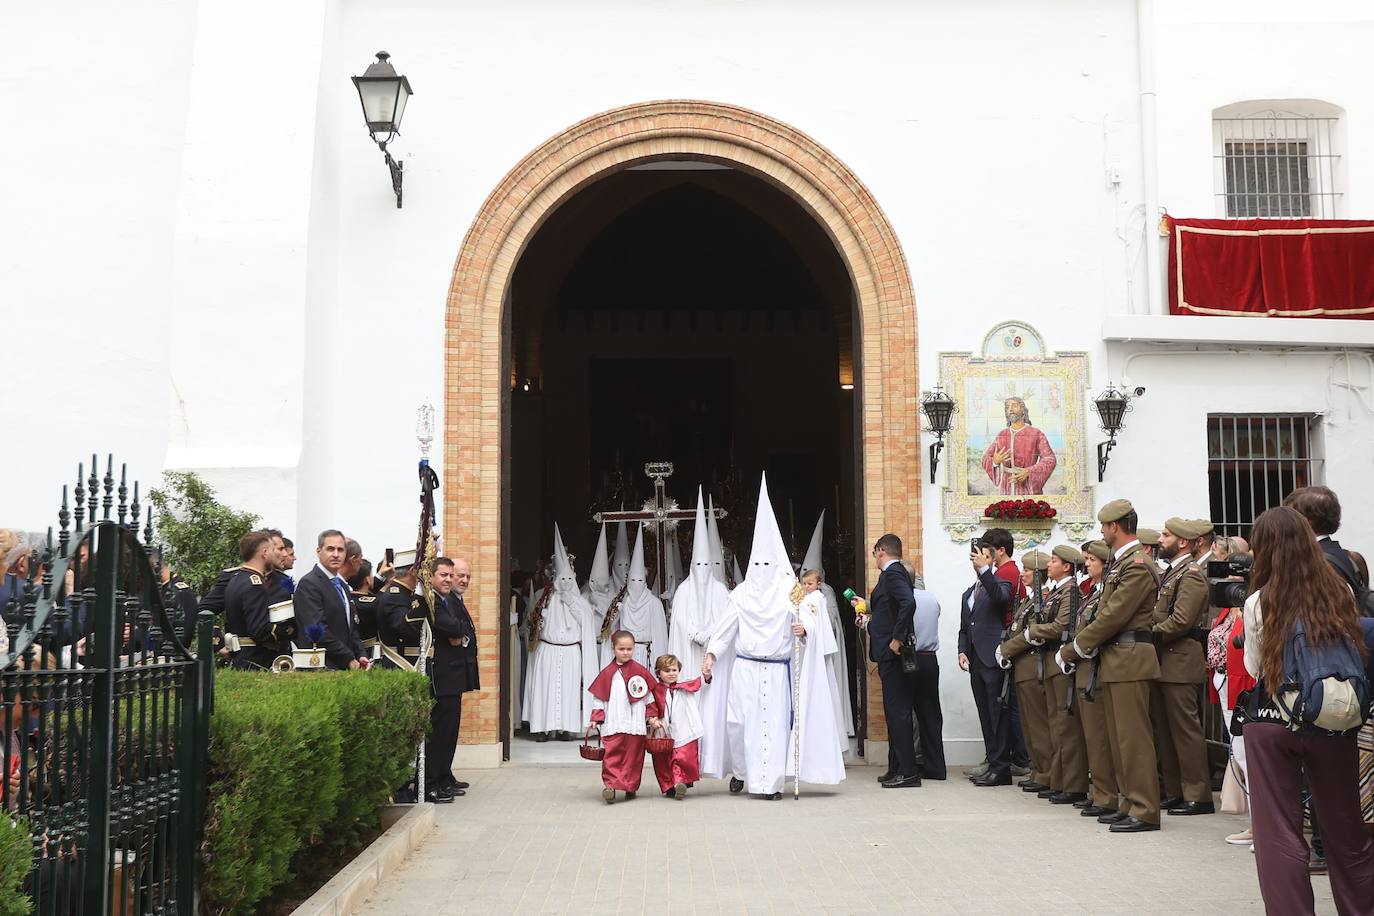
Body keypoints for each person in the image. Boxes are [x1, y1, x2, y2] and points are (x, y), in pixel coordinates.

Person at [1241, 505, 1374, 912]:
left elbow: (1254, 667)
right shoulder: (1340, 592)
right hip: (1331, 716)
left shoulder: (1260, 600)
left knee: (1278, 831)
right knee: (1346, 828)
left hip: (1273, 719)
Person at [700, 472, 846, 799]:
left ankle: (769, 784)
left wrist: (804, 629)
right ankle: (741, 772)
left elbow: (811, 613)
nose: (763, 569)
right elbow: (725, 628)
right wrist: (711, 655)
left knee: (773, 727)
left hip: (777, 670)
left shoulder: (791, 592)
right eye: (758, 563)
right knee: (738, 724)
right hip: (745, 668)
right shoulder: (741, 594)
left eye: (769, 563)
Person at [1057, 498, 1163, 833]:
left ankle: (1145, 809)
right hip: (1117, 658)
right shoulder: (1122, 563)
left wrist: (1075, 648)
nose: (1102, 532)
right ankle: (1129, 802)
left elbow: (1114, 615)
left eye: (1104, 526)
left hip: (1130, 657)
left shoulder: (1136, 564)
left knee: (1133, 739)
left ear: (1114, 526)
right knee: (1119, 740)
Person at [1149, 517, 1215, 816]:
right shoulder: (1172, 572)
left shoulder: (1191, 574)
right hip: (1165, 660)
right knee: (1165, 732)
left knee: (1185, 732)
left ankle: (1198, 794)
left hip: (1180, 659)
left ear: (1183, 542)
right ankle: (1175, 790)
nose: (1160, 540)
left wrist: (1146, 633)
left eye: (1166, 535)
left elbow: (1181, 621)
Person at [959, 527, 1028, 786]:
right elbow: (969, 621)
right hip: (978, 654)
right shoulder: (981, 583)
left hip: (994, 653)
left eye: (986, 553)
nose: (979, 557)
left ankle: (1002, 765)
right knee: (987, 713)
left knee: (998, 712)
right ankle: (994, 761)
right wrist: (963, 649)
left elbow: (1001, 597)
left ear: (997, 552)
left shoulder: (1006, 573)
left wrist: (985, 571)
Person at [522, 526, 598, 741]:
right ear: (555, 579)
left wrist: (572, 602)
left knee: (569, 690)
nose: (565, 583)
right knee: (545, 689)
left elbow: (587, 623)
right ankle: (543, 728)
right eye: (561, 579)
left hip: (571, 652)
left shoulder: (581, 602)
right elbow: (531, 623)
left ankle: (566, 728)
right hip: (547, 650)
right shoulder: (544, 597)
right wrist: (540, 618)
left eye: (569, 579)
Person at [1030, 544, 1089, 806]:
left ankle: (1073, 784)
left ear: (1066, 566)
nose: (1048, 565)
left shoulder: (1071, 591)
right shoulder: (1057, 592)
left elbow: (1062, 625)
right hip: (1050, 661)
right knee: (1056, 726)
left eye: (1053, 561)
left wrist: (1034, 631)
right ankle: (1059, 780)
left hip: (1061, 660)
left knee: (1066, 726)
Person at [996, 553, 1053, 794]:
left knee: (1039, 725)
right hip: (1022, 666)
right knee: (1029, 725)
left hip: (1034, 665)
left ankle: (1047, 774)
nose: (1023, 574)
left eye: (1028, 570)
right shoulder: (1029, 600)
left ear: (1038, 574)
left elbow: (1031, 633)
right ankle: (1037, 770)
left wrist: (1007, 649)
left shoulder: (1044, 598)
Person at [587, 630, 663, 804]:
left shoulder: (640, 672)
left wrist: (652, 716)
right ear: (613, 649)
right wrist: (596, 718)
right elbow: (599, 698)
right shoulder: (607, 673)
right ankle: (610, 786)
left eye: (629, 649)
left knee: (633, 757)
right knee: (611, 754)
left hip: (634, 722)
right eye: (621, 649)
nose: (626, 652)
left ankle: (630, 786)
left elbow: (649, 697)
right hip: (613, 721)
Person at [1073, 540, 1119, 818]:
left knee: (1101, 737)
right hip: (1086, 666)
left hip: (1096, 666)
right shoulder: (1093, 593)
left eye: (1092, 560)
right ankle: (1099, 793)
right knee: (1093, 736)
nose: (1087, 564)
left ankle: (1107, 796)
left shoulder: (1105, 594)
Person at [428, 557, 479, 801]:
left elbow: (463, 629)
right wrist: (459, 632)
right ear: (431, 576)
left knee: (449, 732)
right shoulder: (435, 600)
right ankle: (433, 781)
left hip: (452, 675)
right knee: (440, 732)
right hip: (442, 676)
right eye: (446, 575)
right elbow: (455, 627)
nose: (454, 580)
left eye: (455, 575)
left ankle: (443, 776)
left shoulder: (448, 599)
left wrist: (460, 632)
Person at [802, 512, 855, 737]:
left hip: (825, 648)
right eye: (804, 582)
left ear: (819, 580)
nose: (806, 585)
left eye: (810, 582)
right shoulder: (799, 593)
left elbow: (831, 619)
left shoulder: (826, 593)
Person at [667, 491, 730, 679]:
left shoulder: (720, 590)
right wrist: (694, 633)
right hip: (688, 649)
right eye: (698, 565)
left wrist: (710, 633)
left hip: (713, 649)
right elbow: (679, 620)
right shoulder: (683, 590)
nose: (702, 570)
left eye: (706, 565)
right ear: (692, 566)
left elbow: (726, 620)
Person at [291, 529, 365, 670]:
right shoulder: (309, 583)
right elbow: (318, 630)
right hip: (321, 667)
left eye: (340, 550)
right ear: (319, 551)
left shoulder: (342, 585)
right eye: (330, 549)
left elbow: (351, 627)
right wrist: (348, 658)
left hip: (345, 666)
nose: (336, 554)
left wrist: (361, 654)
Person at [902, 559, 946, 780]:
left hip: (908, 658)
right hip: (929, 658)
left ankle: (907, 766)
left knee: (904, 714)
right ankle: (936, 767)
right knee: (931, 715)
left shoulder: (903, 600)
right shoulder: (931, 599)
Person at [601, 525, 668, 670]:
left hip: (647, 655)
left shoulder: (654, 603)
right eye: (633, 580)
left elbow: (660, 636)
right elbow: (609, 630)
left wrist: (659, 664)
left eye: (640, 580)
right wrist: (617, 614)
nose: (636, 583)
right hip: (626, 656)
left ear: (645, 581)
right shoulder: (621, 602)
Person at [223, 530, 288, 670]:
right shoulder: (255, 584)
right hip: (255, 660)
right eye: (272, 550)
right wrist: (289, 630)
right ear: (265, 553)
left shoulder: (236, 579)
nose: (275, 554)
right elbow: (259, 630)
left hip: (239, 657)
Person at [1284, 486, 1364, 593]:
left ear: (1307, 521)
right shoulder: (1348, 557)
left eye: (1291, 516)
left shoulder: (1312, 561)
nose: (1286, 522)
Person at [649, 653, 704, 799]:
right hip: (663, 728)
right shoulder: (655, 690)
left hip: (683, 727)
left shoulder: (684, 686)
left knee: (681, 756)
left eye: (674, 670)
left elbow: (701, 682)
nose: (671, 673)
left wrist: (707, 674)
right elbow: (650, 705)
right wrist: (652, 719)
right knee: (663, 758)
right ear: (658, 673)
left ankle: (680, 782)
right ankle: (669, 786)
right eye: (667, 671)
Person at [980, 396, 1057, 495]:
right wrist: (995, 462)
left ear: (1023, 410)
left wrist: (1029, 472)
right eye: (1007, 407)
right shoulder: (1002, 434)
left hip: (1028, 489)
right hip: (1006, 487)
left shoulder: (1036, 433)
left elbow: (1050, 459)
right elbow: (985, 457)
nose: (1010, 409)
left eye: (1014, 406)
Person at [582, 524, 618, 669]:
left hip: (606, 646)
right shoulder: (584, 596)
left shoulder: (613, 598)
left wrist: (599, 606)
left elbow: (613, 621)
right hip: (588, 645)